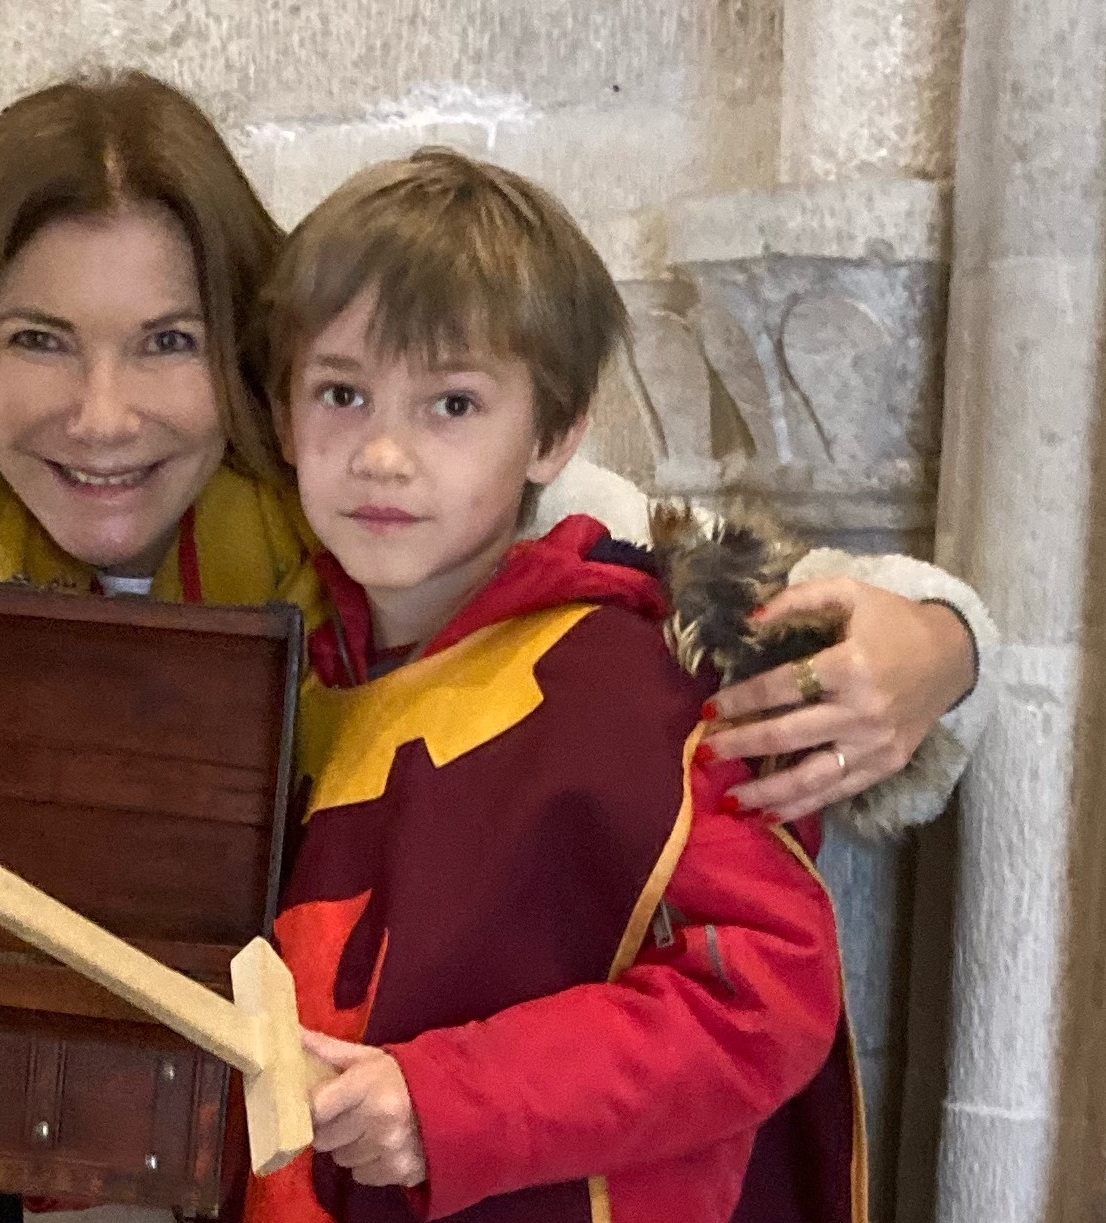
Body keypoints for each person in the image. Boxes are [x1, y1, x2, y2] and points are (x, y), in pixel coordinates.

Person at [0, 69, 986, 1214]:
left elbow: (741, 600)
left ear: (248, 355)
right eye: (36, 338)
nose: (99, 414)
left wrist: (932, 640)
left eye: (163, 340)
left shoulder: (389, 506)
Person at [250, 146, 854, 1223]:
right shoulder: (276, 677)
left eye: (450, 404)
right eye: (341, 392)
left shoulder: (644, 685)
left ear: (555, 431)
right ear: (284, 409)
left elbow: (760, 994)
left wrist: (450, 1100)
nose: (381, 454)